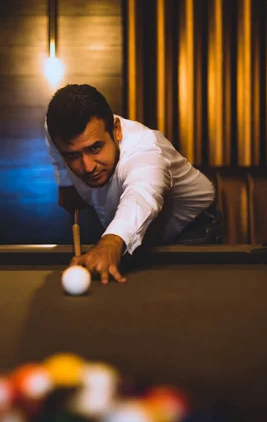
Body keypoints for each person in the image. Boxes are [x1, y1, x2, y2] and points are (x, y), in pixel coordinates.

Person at [45, 84, 223, 284]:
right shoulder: (57, 130)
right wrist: (65, 182)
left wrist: (110, 242)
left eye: (95, 148)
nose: (87, 167)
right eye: (72, 155)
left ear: (116, 130)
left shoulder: (146, 150)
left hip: (192, 229)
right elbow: (51, 138)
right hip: (131, 233)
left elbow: (142, 196)